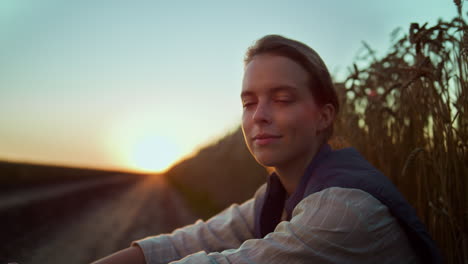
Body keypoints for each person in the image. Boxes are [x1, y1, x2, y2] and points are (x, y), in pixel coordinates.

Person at [93, 35, 441, 264]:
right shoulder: (277, 194)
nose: (259, 116)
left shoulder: (343, 210)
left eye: (282, 99)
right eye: (249, 102)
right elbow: (198, 238)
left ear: (324, 116)